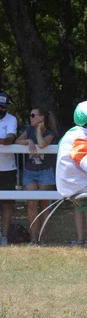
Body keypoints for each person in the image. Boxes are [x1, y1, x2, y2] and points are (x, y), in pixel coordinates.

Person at [15, 107, 57, 245]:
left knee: (44, 205)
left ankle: (42, 238)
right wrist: (28, 141)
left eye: (33, 115)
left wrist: (39, 131)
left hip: (45, 171)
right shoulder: (28, 130)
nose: (30, 118)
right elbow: (16, 141)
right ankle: (33, 238)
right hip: (30, 172)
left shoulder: (50, 132)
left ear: (41, 117)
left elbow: (43, 144)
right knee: (32, 203)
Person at [0, 92, 17, 246]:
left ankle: (4, 235)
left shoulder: (11, 119)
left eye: (3, 107)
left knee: (7, 204)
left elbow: (10, 139)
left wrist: (4, 140)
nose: (1, 109)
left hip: (7, 168)